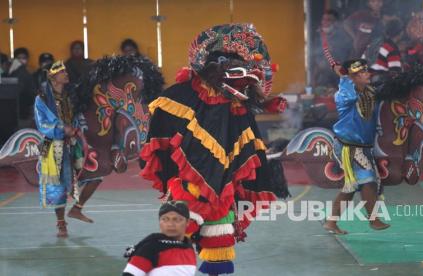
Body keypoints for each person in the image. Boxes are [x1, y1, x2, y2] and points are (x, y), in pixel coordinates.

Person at [139, 24, 288, 275]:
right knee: (181, 227)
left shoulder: (237, 101)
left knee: (219, 232)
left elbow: (250, 131)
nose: (244, 82)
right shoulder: (184, 94)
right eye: (238, 73)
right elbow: (161, 127)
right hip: (189, 181)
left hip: (224, 182)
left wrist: (265, 100)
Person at [323, 59, 390, 235]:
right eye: (363, 72)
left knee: (351, 187)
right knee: (367, 179)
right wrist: (344, 78)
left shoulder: (370, 92)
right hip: (348, 147)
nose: (368, 74)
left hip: (363, 146)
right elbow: (351, 96)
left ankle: (331, 222)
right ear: (353, 76)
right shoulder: (343, 94)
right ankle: (374, 220)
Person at [34, 60, 94, 238]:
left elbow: (78, 116)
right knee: (56, 185)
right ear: (53, 77)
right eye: (62, 73)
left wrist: (76, 129)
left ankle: (77, 208)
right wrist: (61, 129)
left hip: (72, 143)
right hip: (51, 145)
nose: (66, 74)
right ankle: (61, 224)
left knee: (92, 175)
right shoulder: (42, 98)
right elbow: (41, 123)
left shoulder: (71, 96)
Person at [123, 201, 196, 276]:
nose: (170, 224)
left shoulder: (189, 247)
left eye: (176, 219)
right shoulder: (150, 248)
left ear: (187, 222)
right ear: (159, 221)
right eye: (165, 219)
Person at [312, 10, 353, 88]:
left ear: (336, 22)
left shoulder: (344, 37)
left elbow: (349, 58)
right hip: (322, 80)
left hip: (339, 78)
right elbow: (315, 62)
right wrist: (314, 80)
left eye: (329, 20)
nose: (325, 22)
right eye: (323, 19)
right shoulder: (318, 37)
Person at [8, 47, 35, 121]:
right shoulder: (18, 71)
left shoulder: (21, 71)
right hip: (21, 112)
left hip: (22, 112)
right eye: (19, 57)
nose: (22, 60)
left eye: (24, 57)